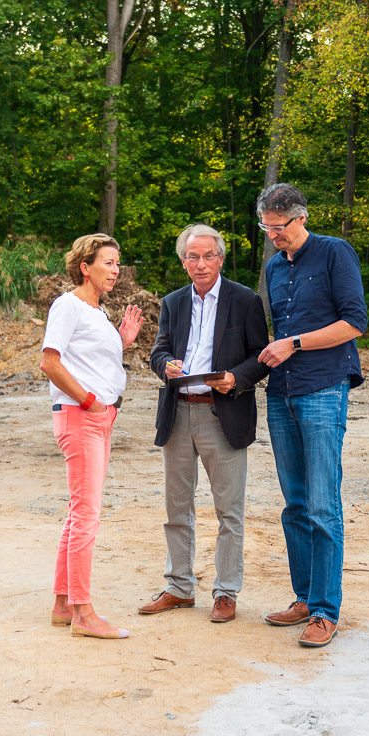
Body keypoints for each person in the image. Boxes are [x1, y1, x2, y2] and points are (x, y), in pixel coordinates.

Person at [139, 224, 271, 623]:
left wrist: (237, 378)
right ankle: (179, 587)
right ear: (183, 262)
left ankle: (226, 591)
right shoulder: (172, 302)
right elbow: (158, 349)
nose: (200, 263)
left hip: (222, 413)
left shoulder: (245, 300)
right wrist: (165, 365)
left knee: (229, 511)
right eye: (192, 257)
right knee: (176, 508)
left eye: (207, 255)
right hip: (178, 413)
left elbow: (259, 356)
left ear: (221, 258)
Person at [255, 183, 368, 648]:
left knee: (323, 503)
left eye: (279, 228)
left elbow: (354, 322)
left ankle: (325, 610)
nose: (273, 236)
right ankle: (303, 597)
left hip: (323, 387)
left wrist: (295, 343)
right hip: (281, 393)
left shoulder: (335, 253)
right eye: (266, 227)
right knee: (295, 504)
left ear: (301, 218)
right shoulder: (273, 267)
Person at [40, 233, 144, 640]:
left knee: (78, 512)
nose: (115, 270)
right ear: (85, 267)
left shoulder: (96, 312)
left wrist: (121, 340)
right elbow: (50, 362)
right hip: (82, 417)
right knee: (87, 516)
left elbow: (93, 360)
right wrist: (89, 401)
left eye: (118, 263)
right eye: (108, 262)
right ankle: (84, 614)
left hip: (99, 418)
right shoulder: (68, 305)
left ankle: (63, 604)